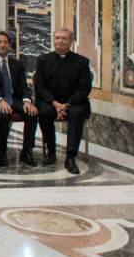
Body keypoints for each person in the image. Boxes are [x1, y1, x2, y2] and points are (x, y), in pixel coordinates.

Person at [0, 30, 38, 168]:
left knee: (32, 113)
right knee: (3, 114)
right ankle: (1, 152)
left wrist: (27, 101)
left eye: (5, 42)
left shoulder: (18, 65)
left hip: (14, 99)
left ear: (10, 46)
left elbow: (23, 86)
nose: (2, 45)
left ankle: (27, 151)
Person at [35, 28, 93, 175]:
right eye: (57, 38)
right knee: (44, 112)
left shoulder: (81, 62)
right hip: (50, 102)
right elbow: (39, 87)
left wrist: (67, 105)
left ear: (71, 41)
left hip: (74, 103)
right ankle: (51, 152)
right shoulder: (43, 60)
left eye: (64, 38)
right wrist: (55, 103)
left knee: (77, 113)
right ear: (53, 40)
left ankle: (70, 157)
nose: (60, 41)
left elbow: (84, 88)